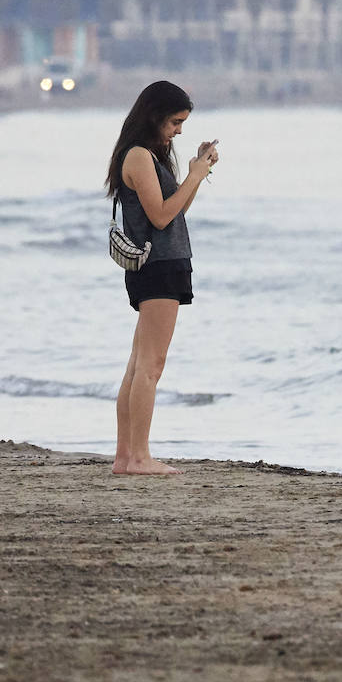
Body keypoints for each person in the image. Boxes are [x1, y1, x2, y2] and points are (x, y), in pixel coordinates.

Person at [103, 81, 219, 475]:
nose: (179, 131)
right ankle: (139, 457)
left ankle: (124, 457)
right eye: (175, 122)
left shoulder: (149, 155)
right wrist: (195, 175)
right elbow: (161, 217)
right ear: (154, 116)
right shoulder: (138, 157)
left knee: (139, 365)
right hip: (158, 268)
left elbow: (177, 209)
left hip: (162, 266)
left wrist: (195, 173)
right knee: (150, 366)